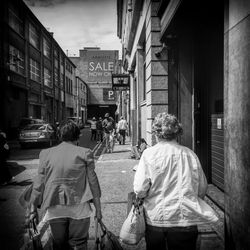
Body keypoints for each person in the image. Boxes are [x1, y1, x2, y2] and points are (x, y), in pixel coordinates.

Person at [133, 113, 218, 250]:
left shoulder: (149, 154)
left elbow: (140, 189)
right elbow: (202, 188)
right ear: (177, 133)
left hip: (156, 220)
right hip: (185, 220)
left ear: (156, 133)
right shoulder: (190, 154)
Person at [29, 120, 102, 250]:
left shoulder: (45, 153)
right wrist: (98, 210)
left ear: (60, 135)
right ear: (77, 136)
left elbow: (38, 184)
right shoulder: (85, 153)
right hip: (79, 207)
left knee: (59, 245)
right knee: (79, 244)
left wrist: (32, 210)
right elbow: (93, 183)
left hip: (55, 207)